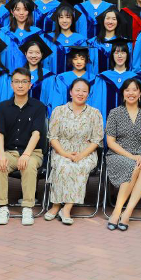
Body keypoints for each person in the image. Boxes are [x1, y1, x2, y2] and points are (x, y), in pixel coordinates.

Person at [0, 67, 48, 226]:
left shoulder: (38, 107)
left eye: (24, 82)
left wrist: (26, 154)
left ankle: (27, 207)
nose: (20, 85)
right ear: (11, 85)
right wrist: (1, 155)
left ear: (30, 84)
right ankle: (2, 207)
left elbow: (36, 134)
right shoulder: (2, 107)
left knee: (29, 165)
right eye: (17, 82)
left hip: (32, 152)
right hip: (9, 152)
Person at [45, 78, 104, 225]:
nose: (80, 93)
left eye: (84, 91)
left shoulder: (95, 113)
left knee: (79, 167)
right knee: (63, 165)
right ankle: (56, 205)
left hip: (86, 152)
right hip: (61, 150)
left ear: (88, 94)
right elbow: (53, 137)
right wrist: (64, 153)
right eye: (77, 90)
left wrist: (81, 155)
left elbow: (97, 140)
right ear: (70, 92)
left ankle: (66, 208)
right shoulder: (59, 111)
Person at [105, 78, 141, 231]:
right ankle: (117, 211)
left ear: (140, 93)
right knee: (133, 166)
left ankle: (127, 212)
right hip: (117, 154)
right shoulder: (114, 113)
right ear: (123, 93)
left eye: (134, 90)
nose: (131, 93)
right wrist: (132, 156)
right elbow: (110, 142)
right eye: (127, 90)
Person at [0, 35, 57, 112]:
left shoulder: (49, 77)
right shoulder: (16, 74)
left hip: (40, 116)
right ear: (25, 53)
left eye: (37, 53)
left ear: (42, 55)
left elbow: (51, 102)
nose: (33, 56)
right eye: (30, 52)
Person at [89, 38, 137, 126]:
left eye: (123, 52)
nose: (120, 56)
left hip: (130, 129)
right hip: (106, 127)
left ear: (127, 55)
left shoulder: (135, 78)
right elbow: (96, 104)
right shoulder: (102, 78)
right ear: (112, 55)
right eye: (116, 52)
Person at [0, 0, 43, 72]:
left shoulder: (37, 33)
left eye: (25, 9)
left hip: (30, 76)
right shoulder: (3, 32)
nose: (21, 13)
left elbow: (40, 58)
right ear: (12, 12)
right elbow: (0, 57)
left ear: (29, 12)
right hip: (9, 75)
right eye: (17, 10)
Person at [45, 2, 87, 76]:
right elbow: (46, 63)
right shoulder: (49, 38)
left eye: (68, 17)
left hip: (75, 81)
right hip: (54, 80)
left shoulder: (80, 40)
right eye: (61, 17)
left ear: (72, 19)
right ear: (57, 19)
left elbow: (84, 64)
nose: (64, 21)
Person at [87, 6, 129, 74]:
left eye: (114, 19)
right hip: (97, 79)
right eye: (107, 18)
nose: (110, 22)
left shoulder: (125, 43)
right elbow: (89, 68)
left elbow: (129, 65)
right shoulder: (93, 43)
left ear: (118, 22)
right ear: (103, 21)